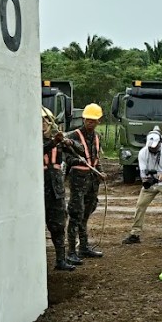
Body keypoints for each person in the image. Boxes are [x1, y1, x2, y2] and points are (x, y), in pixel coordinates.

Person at [66, 103, 105, 263]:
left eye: (93, 120)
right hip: (78, 180)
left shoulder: (97, 137)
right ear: (83, 119)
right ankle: (71, 251)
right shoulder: (73, 136)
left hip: (92, 181)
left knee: (86, 214)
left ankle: (83, 247)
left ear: (98, 121)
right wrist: (78, 160)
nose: (90, 122)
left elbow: (96, 158)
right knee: (76, 214)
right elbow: (66, 159)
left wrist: (100, 171)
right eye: (88, 119)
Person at [124, 129, 162, 244]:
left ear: (160, 143)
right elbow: (143, 171)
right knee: (140, 205)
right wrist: (146, 179)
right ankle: (135, 233)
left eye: (155, 147)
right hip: (151, 182)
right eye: (150, 147)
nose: (152, 149)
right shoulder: (143, 152)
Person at [43, 108, 77, 271]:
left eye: (45, 121)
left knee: (58, 225)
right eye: (40, 121)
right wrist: (54, 142)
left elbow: (78, 150)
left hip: (56, 190)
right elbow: (40, 149)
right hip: (37, 191)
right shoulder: (30, 140)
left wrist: (70, 143)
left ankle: (60, 260)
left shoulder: (58, 141)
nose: (43, 124)